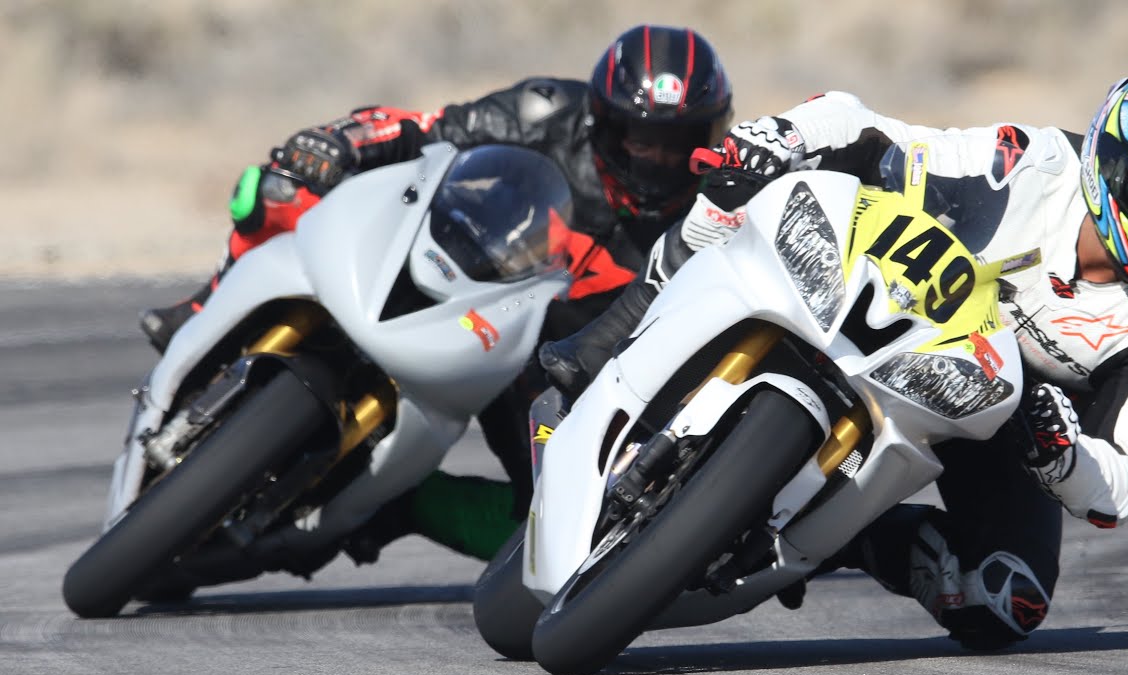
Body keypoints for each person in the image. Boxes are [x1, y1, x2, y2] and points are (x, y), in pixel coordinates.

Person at [540, 76, 1128, 649]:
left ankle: (845, 537)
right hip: (891, 301)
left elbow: (1116, 486)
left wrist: (1060, 450)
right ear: (1112, 170)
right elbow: (870, 128)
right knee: (736, 189)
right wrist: (778, 136)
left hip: (996, 418)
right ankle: (607, 344)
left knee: (1007, 601)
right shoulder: (1026, 166)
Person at [140, 24, 734, 562]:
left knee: (562, 525)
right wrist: (339, 142)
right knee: (274, 188)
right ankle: (199, 308)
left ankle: (399, 503)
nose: (660, 157)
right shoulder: (546, 111)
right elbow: (427, 128)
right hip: (464, 272)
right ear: (601, 122)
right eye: (642, 138)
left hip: (547, 365)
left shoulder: (718, 213)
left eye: (680, 141)